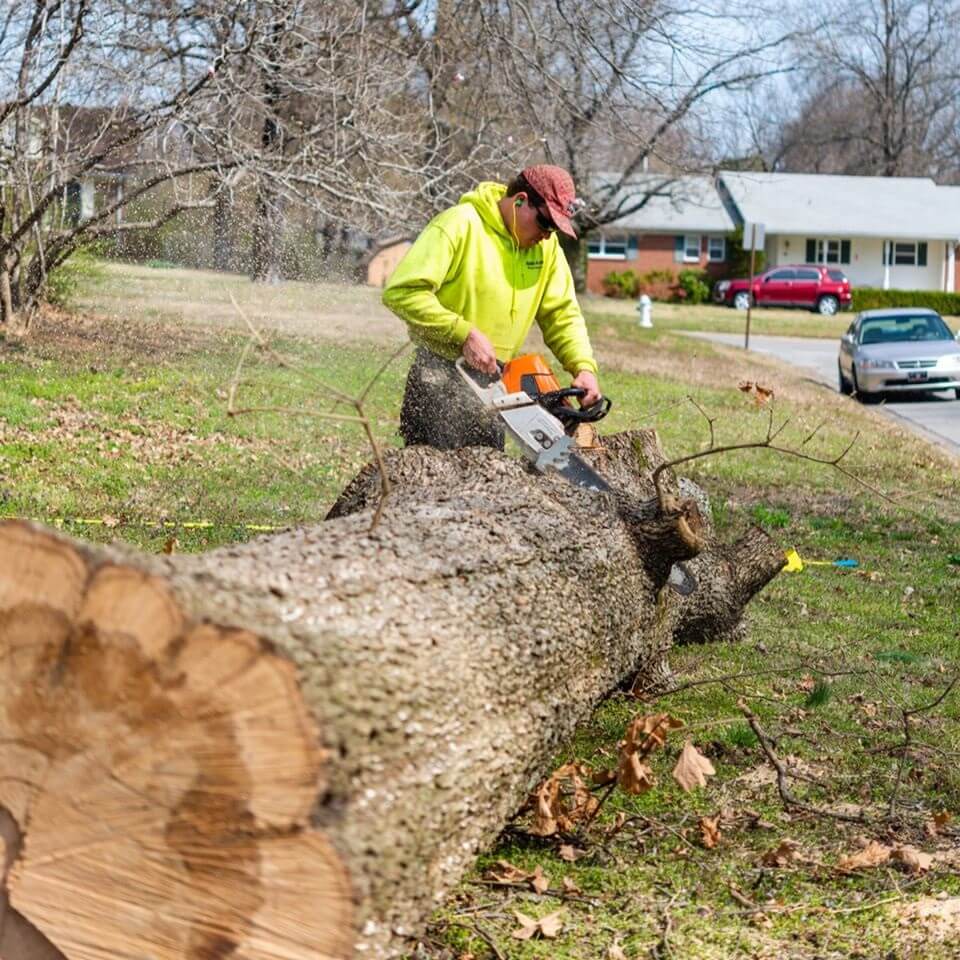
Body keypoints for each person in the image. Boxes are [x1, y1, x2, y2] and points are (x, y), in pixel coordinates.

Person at [382, 164, 602, 450]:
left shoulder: (546, 249)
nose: (548, 235)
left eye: (555, 229)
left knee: (488, 480)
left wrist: (582, 366)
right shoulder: (460, 225)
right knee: (433, 481)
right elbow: (401, 291)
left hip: (496, 386)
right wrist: (462, 333)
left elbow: (562, 313)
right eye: (546, 223)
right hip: (439, 376)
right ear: (521, 200)